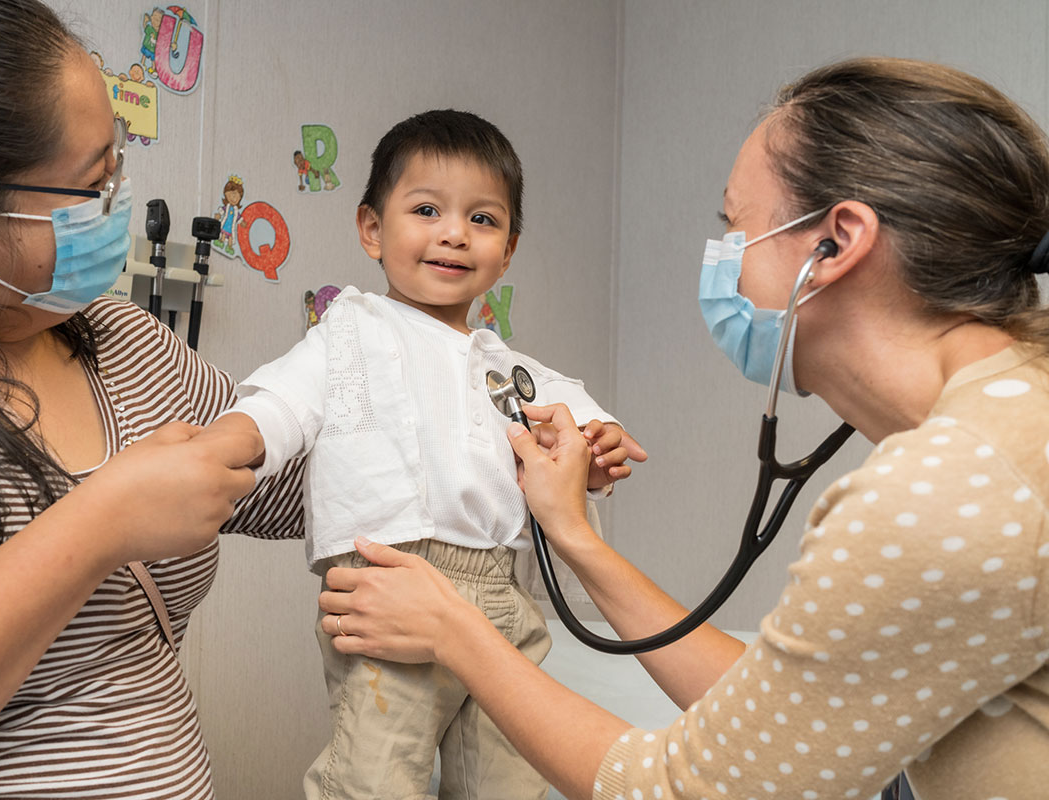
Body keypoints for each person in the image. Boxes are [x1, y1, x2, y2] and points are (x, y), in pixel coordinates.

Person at [315, 57, 1049, 800]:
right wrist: (573, 533)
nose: (723, 260)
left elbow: (686, 788)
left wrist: (455, 630)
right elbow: (779, 716)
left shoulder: (951, 485)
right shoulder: (1010, 417)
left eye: (735, 227)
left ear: (835, 243)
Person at [0, 2, 302, 797]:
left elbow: (289, 483)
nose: (119, 199)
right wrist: (98, 524)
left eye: (116, 168)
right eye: (94, 184)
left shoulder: (119, 337)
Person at [196, 109, 647, 799]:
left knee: (509, 784)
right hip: (391, 587)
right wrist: (231, 441)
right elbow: (285, 401)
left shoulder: (507, 364)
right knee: (375, 780)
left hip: (508, 597)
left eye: (483, 220)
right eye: (428, 209)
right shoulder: (350, 331)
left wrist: (598, 443)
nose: (454, 233)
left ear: (508, 249)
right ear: (372, 230)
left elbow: (575, 411)